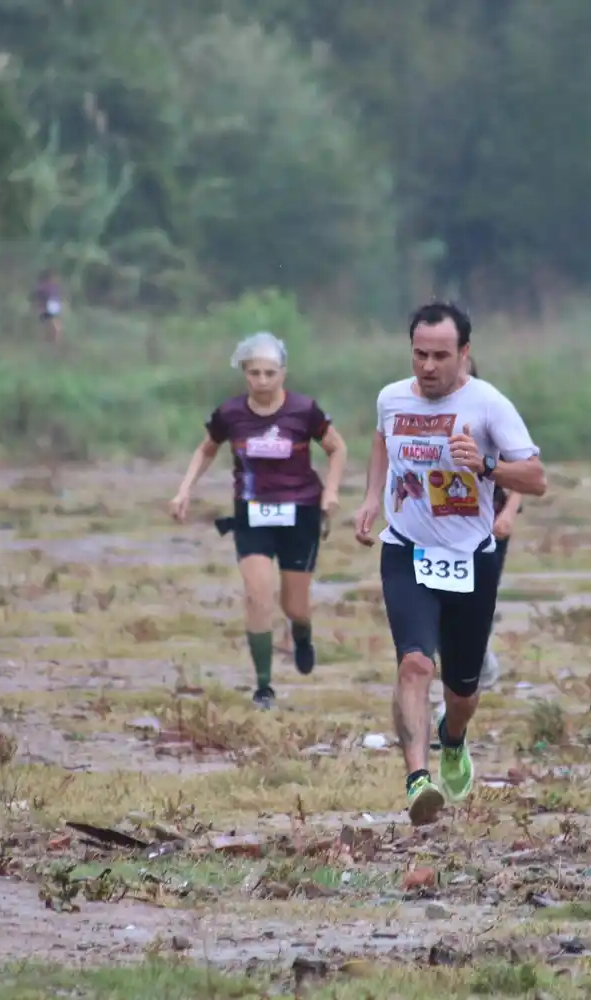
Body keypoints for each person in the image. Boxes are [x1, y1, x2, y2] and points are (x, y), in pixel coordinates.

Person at [354, 302, 547, 826]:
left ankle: (453, 739)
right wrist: (373, 497)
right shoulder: (391, 399)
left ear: (465, 353)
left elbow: (536, 478)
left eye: (441, 355)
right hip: (406, 550)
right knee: (415, 663)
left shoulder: (489, 405)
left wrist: (485, 465)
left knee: (461, 692)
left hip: (469, 559)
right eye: (420, 354)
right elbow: (380, 439)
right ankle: (418, 779)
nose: (429, 366)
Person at [169, 332, 347, 711]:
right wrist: (184, 489)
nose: (262, 381)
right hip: (253, 512)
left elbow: (337, 447)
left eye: (269, 373)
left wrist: (330, 492)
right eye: (254, 373)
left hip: (300, 512)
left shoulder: (304, 411)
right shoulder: (230, 414)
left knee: (294, 606)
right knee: (257, 595)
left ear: (283, 373)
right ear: (244, 374)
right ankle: (264, 686)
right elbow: (206, 449)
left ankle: (302, 634)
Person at [430, 355, 520, 728]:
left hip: (486, 530)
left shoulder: (492, 413)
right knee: (435, 612)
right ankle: (459, 681)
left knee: (469, 611)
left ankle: (471, 674)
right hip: (436, 530)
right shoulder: (420, 418)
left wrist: (508, 514)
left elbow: (522, 470)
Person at [33, 269, 63, 345]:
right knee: (50, 327)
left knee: (52, 327)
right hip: (47, 308)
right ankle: (49, 343)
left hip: (52, 308)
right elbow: (37, 296)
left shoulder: (54, 287)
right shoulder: (44, 286)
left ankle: (51, 343)